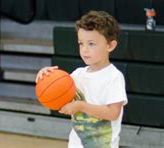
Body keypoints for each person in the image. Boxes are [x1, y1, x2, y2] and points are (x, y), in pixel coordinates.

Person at [36, 11, 127, 148]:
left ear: (110, 46)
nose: (84, 50)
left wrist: (81, 106)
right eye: (81, 44)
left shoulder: (114, 77)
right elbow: (58, 96)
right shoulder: (77, 75)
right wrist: (45, 77)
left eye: (91, 44)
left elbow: (113, 113)